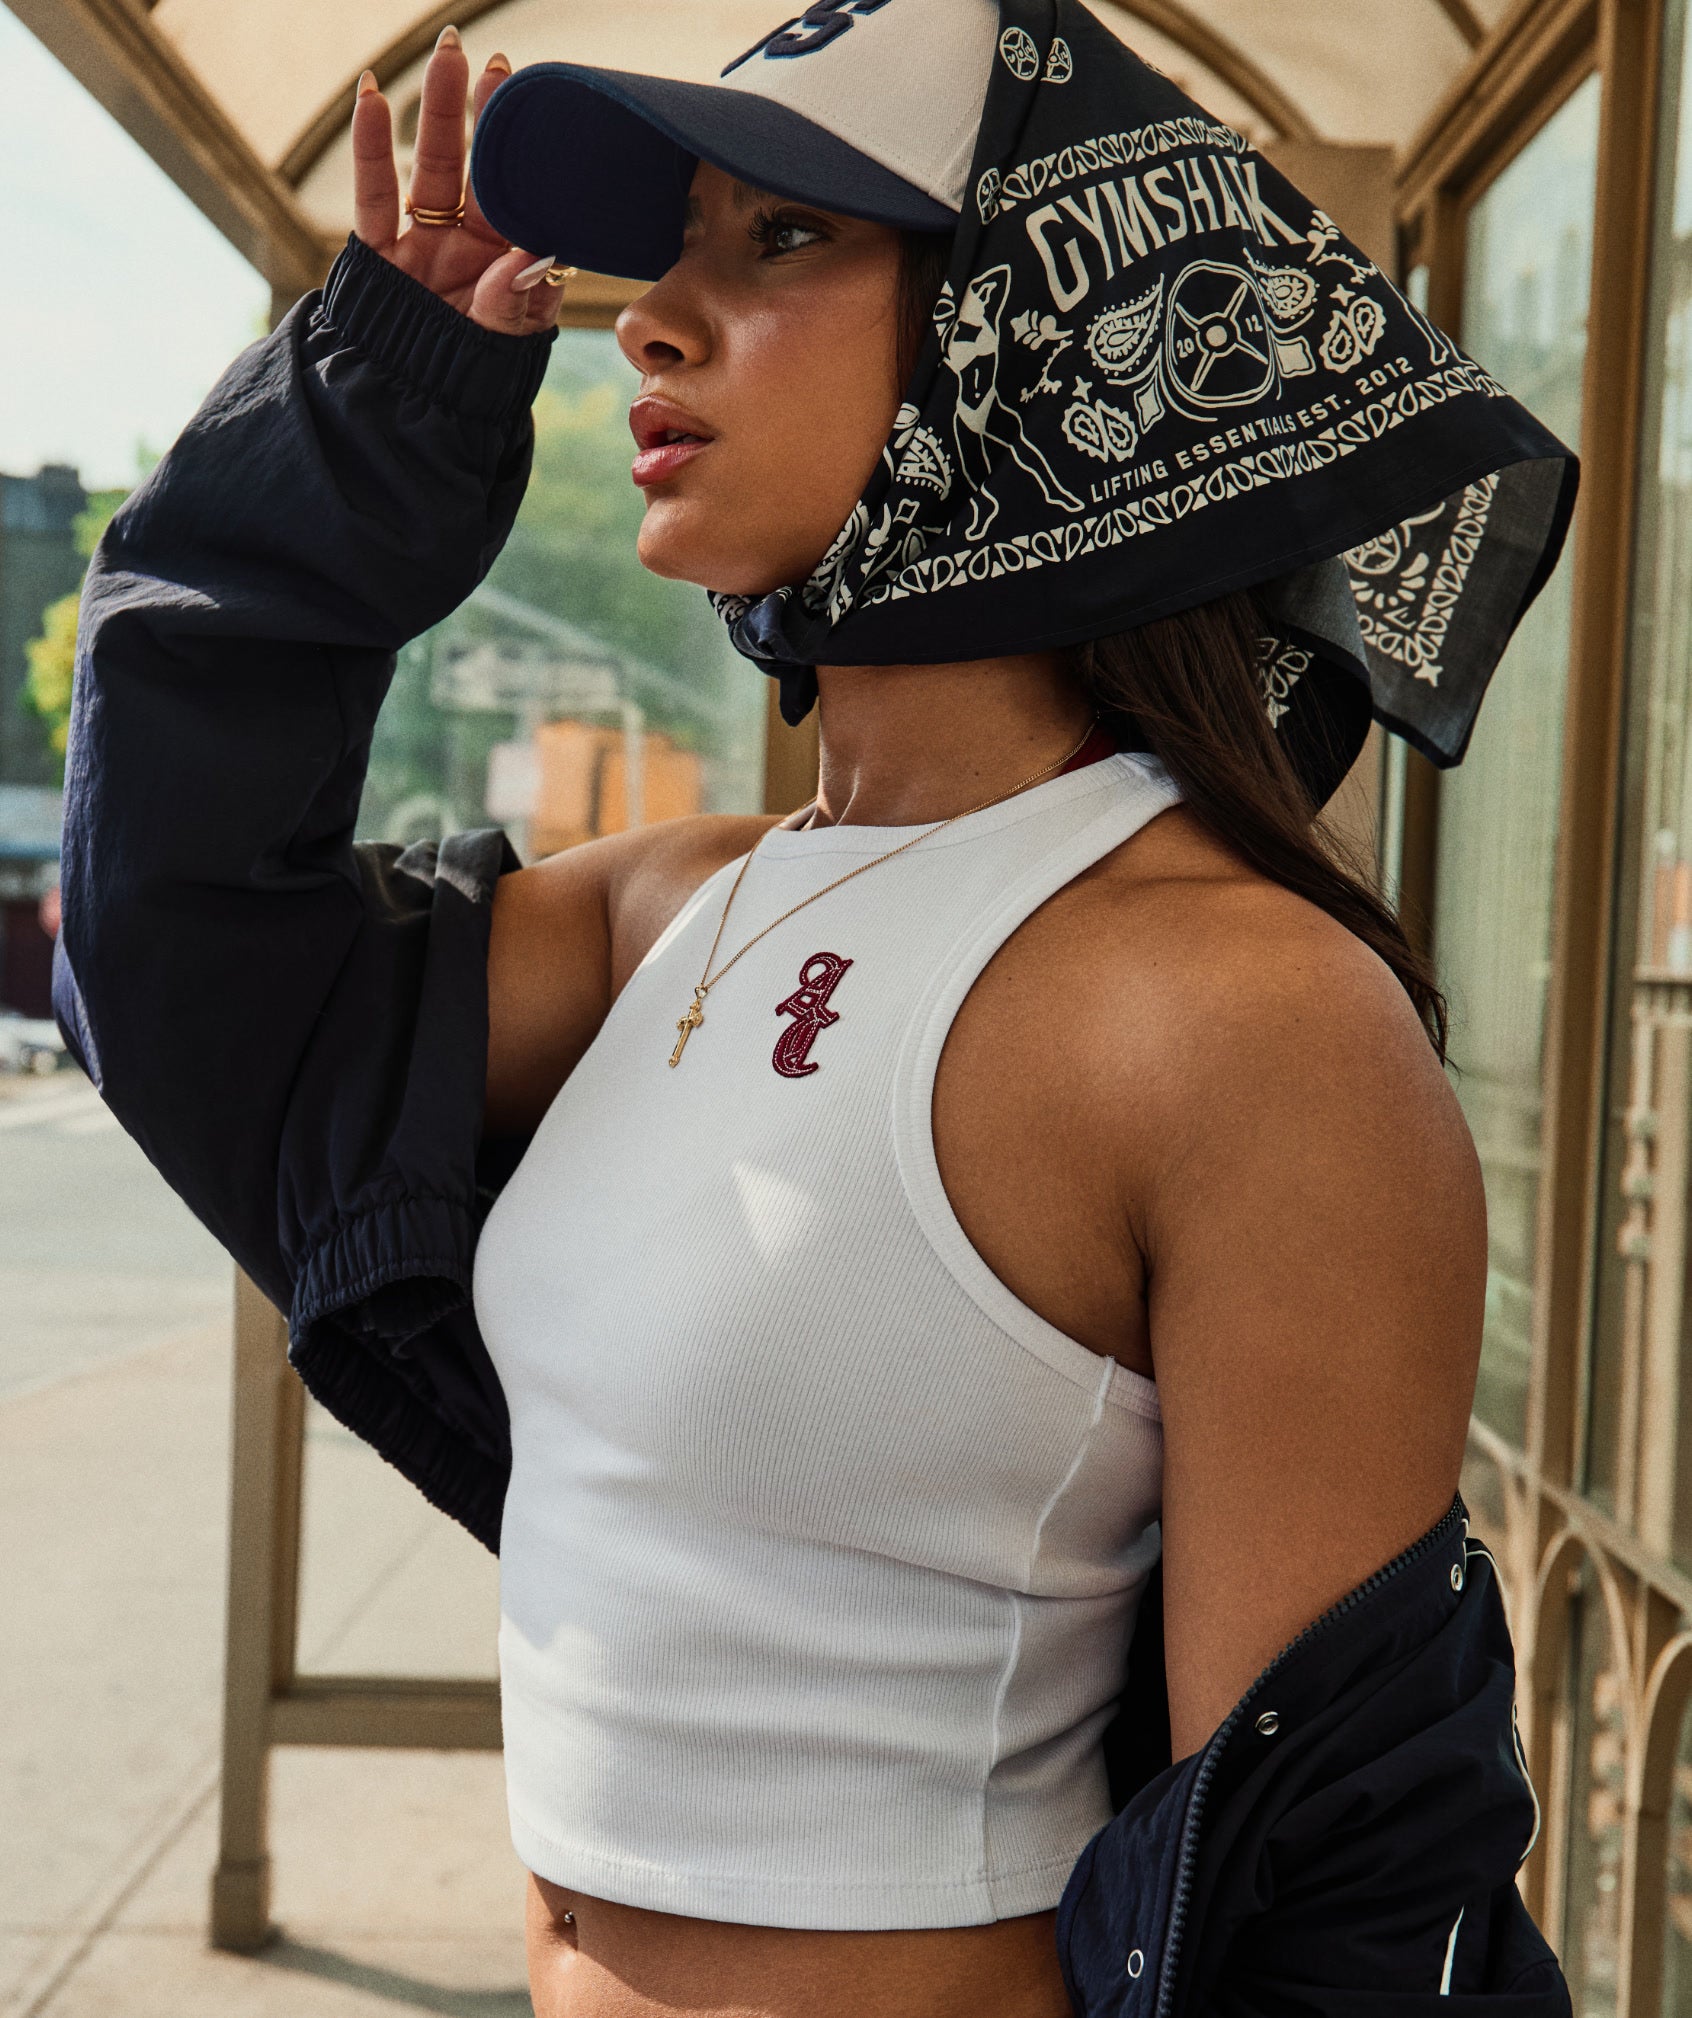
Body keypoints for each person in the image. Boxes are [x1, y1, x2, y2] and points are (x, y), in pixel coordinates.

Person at [53, 3, 1579, 2014]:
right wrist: (374, 415)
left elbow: (1335, 1904)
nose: (647, 323)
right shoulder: (675, 910)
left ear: (1029, 325)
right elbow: (174, 951)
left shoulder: (1249, 1018)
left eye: (780, 239)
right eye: (674, 245)